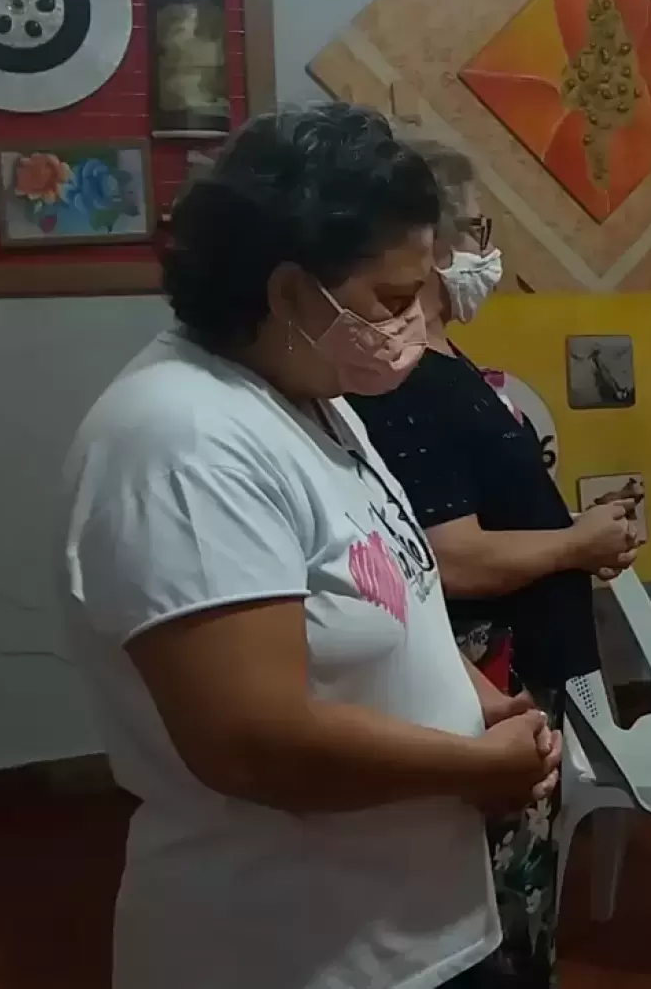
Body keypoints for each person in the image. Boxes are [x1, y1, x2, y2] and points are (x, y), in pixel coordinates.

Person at [59, 104, 562, 989]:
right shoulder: (182, 439)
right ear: (289, 290)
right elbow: (254, 740)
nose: (416, 327)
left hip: (414, 926)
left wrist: (483, 705)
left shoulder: (313, 396)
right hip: (298, 948)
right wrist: (473, 766)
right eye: (393, 299)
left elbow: (391, 589)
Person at [348, 140, 642, 986]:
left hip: (525, 665)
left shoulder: (447, 364)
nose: (489, 251)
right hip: (490, 675)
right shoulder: (405, 382)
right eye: (478, 229)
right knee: (502, 908)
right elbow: (452, 557)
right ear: (428, 245)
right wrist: (574, 545)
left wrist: (576, 538)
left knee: (531, 893)